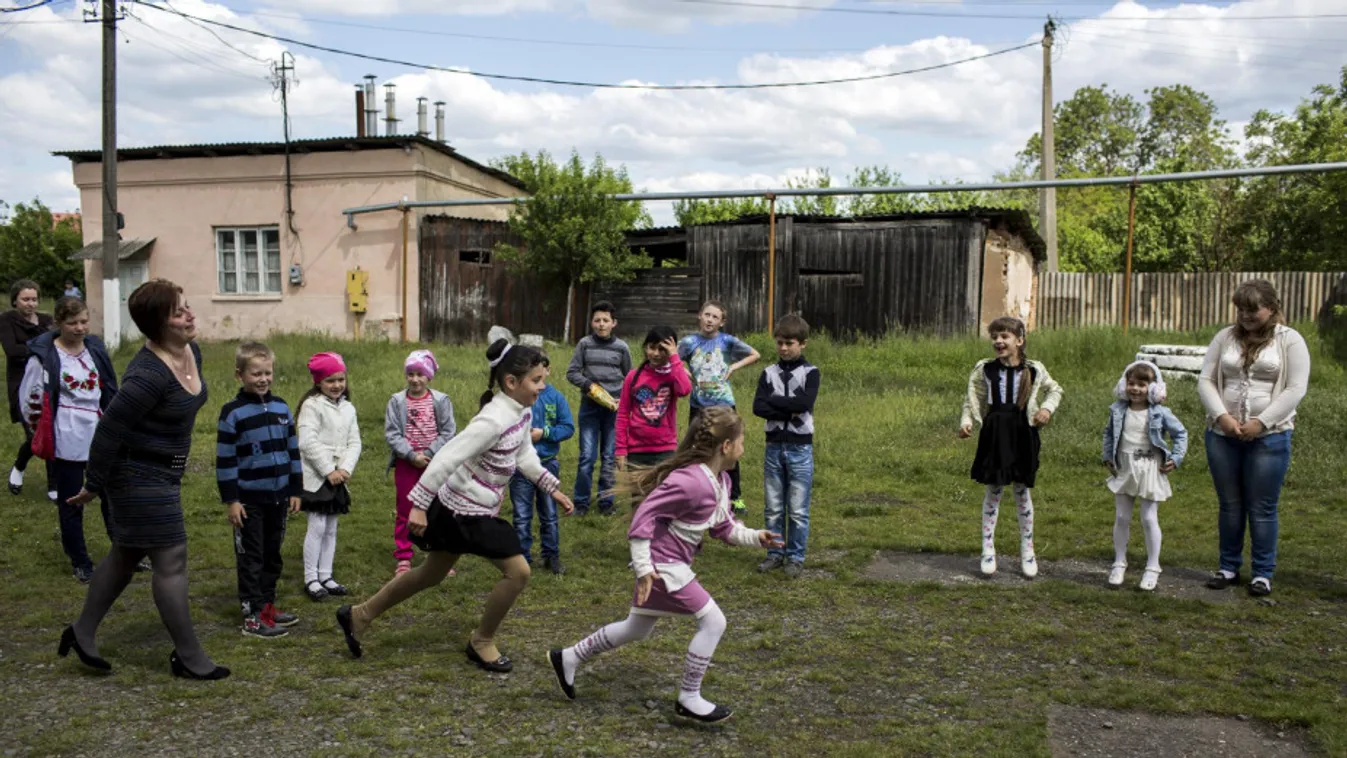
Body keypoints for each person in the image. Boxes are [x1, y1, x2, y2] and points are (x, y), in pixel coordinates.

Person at [336, 340, 575, 672]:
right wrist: (418, 505)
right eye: (536, 380)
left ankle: (358, 615)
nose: (542, 386)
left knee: (430, 574)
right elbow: (448, 455)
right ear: (511, 382)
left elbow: (523, 455)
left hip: (477, 509)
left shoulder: (521, 412)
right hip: (462, 513)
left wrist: (552, 488)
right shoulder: (492, 420)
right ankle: (481, 641)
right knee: (518, 572)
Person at [548, 407, 782, 724]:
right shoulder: (690, 481)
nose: (743, 448)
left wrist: (757, 537)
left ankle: (569, 657)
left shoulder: (719, 481)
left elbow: (722, 527)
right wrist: (644, 569)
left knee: (636, 628)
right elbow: (644, 517)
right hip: (663, 567)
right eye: (741, 442)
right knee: (714, 622)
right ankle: (689, 698)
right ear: (726, 446)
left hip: (669, 565)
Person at [60, 279, 229, 680]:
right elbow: (109, 429)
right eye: (178, 311)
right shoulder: (147, 375)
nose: (189, 314)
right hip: (135, 475)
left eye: (186, 306)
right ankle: (189, 657)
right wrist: (94, 484)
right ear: (157, 324)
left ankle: (82, 631)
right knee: (171, 560)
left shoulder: (192, 352)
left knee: (127, 554)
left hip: (163, 473)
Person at [1198, 279, 1310, 597]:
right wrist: (1223, 417)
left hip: (1270, 437)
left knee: (1262, 507)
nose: (1245, 315)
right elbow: (1206, 380)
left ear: (1272, 308)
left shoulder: (1290, 341)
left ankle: (1262, 573)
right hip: (1223, 434)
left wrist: (1261, 422)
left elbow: (1295, 388)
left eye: (1253, 309)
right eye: (1240, 309)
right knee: (1230, 505)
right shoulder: (1225, 337)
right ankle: (1228, 567)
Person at [18, 296, 118, 583]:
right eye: (72, 323)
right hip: (67, 432)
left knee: (113, 496)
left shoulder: (95, 349)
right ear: (59, 323)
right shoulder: (46, 357)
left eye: (84, 321)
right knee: (72, 500)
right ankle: (80, 560)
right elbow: (30, 397)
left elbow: (110, 385)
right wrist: (40, 431)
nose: (79, 328)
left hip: (100, 429)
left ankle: (123, 553)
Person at [958, 316, 1063, 579]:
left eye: (1004, 337)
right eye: (994, 337)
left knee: (1020, 490)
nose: (998, 341)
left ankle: (1027, 550)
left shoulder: (1034, 369)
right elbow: (973, 398)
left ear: (1020, 340)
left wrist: (1046, 410)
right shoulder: (986, 369)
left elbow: (1055, 390)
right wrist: (967, 421)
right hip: (995, 434)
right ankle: (987, 550)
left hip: (1023, 434)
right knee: (993, 490)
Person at [216, 341, 303, 638]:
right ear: (239, 375)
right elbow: (225, 461)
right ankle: (251, 617)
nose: (263, 379)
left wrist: (295, 489)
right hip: (248, 502)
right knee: (251, 558)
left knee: (272, 556)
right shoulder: (233, 413)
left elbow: (293, 451)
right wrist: (232, 500)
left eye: (268, 373)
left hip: (277, 498)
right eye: (256, 374)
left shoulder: (281, 408)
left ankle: (267, 606)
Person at [1101, 361, 1188, 591]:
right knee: (1121, 516)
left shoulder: (1160, 413)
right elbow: (1109, 433)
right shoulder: (1118, 410)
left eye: (1142, 384)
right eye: (1131, 383)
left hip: (1150, 466)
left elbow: (1180, 434)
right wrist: (1107, 455)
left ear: (1153, 389)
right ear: (1123, 385)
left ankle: (1152, 566)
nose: (1136, 389)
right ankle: (1119, 562)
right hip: (1124, 466)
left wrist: (1176, 458)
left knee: (1149, 518)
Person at [751, 314, 820, 579]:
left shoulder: (811, 373)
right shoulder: (767, 373)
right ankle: (775, 553)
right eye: (779, 342)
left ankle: (795, 556)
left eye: (789, 343)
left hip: (800, 448)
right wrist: (787, 411)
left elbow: (803, 404)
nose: (783, 348)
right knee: (773, 506)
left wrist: (775, 404)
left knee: (798, 509)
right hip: (773, 446)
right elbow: (758, 407)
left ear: (802, 343)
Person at [678, 300, 760, 516]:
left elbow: (755, 354)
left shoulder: (727, 341)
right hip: (699, 405)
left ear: (721, 322)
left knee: (729, 448)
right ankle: (698, 495)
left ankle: (736, 497)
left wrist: (733, 366)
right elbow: (672, 359)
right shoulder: (688, 342)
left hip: (723, 403)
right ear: (699, 316)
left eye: (715, 317)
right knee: (696, 450)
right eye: (707, 315)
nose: (710, 320)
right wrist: (684, 372)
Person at [384, 349, 456, 577]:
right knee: (406, 508)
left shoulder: (441, 401)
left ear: (429, 377)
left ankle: (437, 556)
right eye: (410, 374)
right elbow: (393, 433)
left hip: (434, 463)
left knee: (436, 508)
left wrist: (429, 452)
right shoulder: (396, 401)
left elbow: (448, 431)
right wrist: (411, 455)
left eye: (420, 374)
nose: (415, 379)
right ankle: (404, 556)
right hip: (407, 464)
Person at [297, 352, 361, 601]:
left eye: (340, 379)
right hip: (317, 475)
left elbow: (354, 441)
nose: (336, 385)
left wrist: (345, 469)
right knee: (317, 526)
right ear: (318, 382)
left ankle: (326, 574)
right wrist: (328, 470)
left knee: (332, 527)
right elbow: (307, 442)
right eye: (330, 381)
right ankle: (311, 577)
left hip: (338, 476)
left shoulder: (348, 408)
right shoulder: (311, 406)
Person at [567, 301, 631, 516]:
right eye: (597, 320)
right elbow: (572, 372)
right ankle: (581, 503)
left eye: (606, 320)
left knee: (609, 457)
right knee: (587, 456)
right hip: (590, 408)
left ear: (614, 323)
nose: (601, 324)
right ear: (592, 322)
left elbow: (629, 378)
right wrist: (588, 385)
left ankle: (606, 502)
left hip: (614, 411)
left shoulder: (621, 348)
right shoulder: (584, 344)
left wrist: (623, 399)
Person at [509, 373, 574, 574]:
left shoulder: (556, 397)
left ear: (547, 370)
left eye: (541, 370)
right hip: (520, 467)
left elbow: (568, 427)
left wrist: (544, 433)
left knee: (549, 514)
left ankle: (551, 556)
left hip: (547, 464)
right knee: (521, 515)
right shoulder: (517, 398)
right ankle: (522, 559)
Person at [615, 325, 691, 478]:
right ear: (645, 348)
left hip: (665, 450)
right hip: (637, 451)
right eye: (652, 347)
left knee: (662, 497)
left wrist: (675, 358)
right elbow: (623, 413)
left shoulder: (673, 375)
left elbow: (684, 390)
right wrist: (620, 449)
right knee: (638, 498)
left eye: (662, 349)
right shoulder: (633, 376)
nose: (656, 354)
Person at [2, 278, 54, 499]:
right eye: (25, 299)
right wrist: (41, 346)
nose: (30, 304)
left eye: (34, 299)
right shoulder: (6, 320)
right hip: (21, 382)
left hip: (47, 379)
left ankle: (54, 485)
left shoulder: (46, 319)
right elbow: (12, 350)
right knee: (34, 432)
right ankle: (19, 467)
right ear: (15, 300)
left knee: (53, 429)